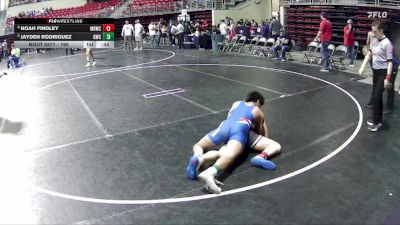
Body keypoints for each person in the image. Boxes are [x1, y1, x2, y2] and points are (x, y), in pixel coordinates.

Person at [186, 91, 268, 194]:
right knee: (230, 155)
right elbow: (261, 133)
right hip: (239, 129)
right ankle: (210, 173)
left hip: (224, 126)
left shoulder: (236, 103)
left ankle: (198, 157)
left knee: (199, 145)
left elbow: (230, 117)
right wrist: (262, 121)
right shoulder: (257, 111)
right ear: (258, 102)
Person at [359, 20, 395, 131]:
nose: (373, 33)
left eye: (375, 31)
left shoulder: (387, 43)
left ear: (381, 30)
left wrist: (387, 78)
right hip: (376, 72)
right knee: (377, 97)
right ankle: (378, 120)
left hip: (383, 73)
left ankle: (375, 123)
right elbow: (369, 53)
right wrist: (362, 66)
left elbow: (390, 62)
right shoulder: (375, 40)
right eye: (372, 31)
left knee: (375, 97)